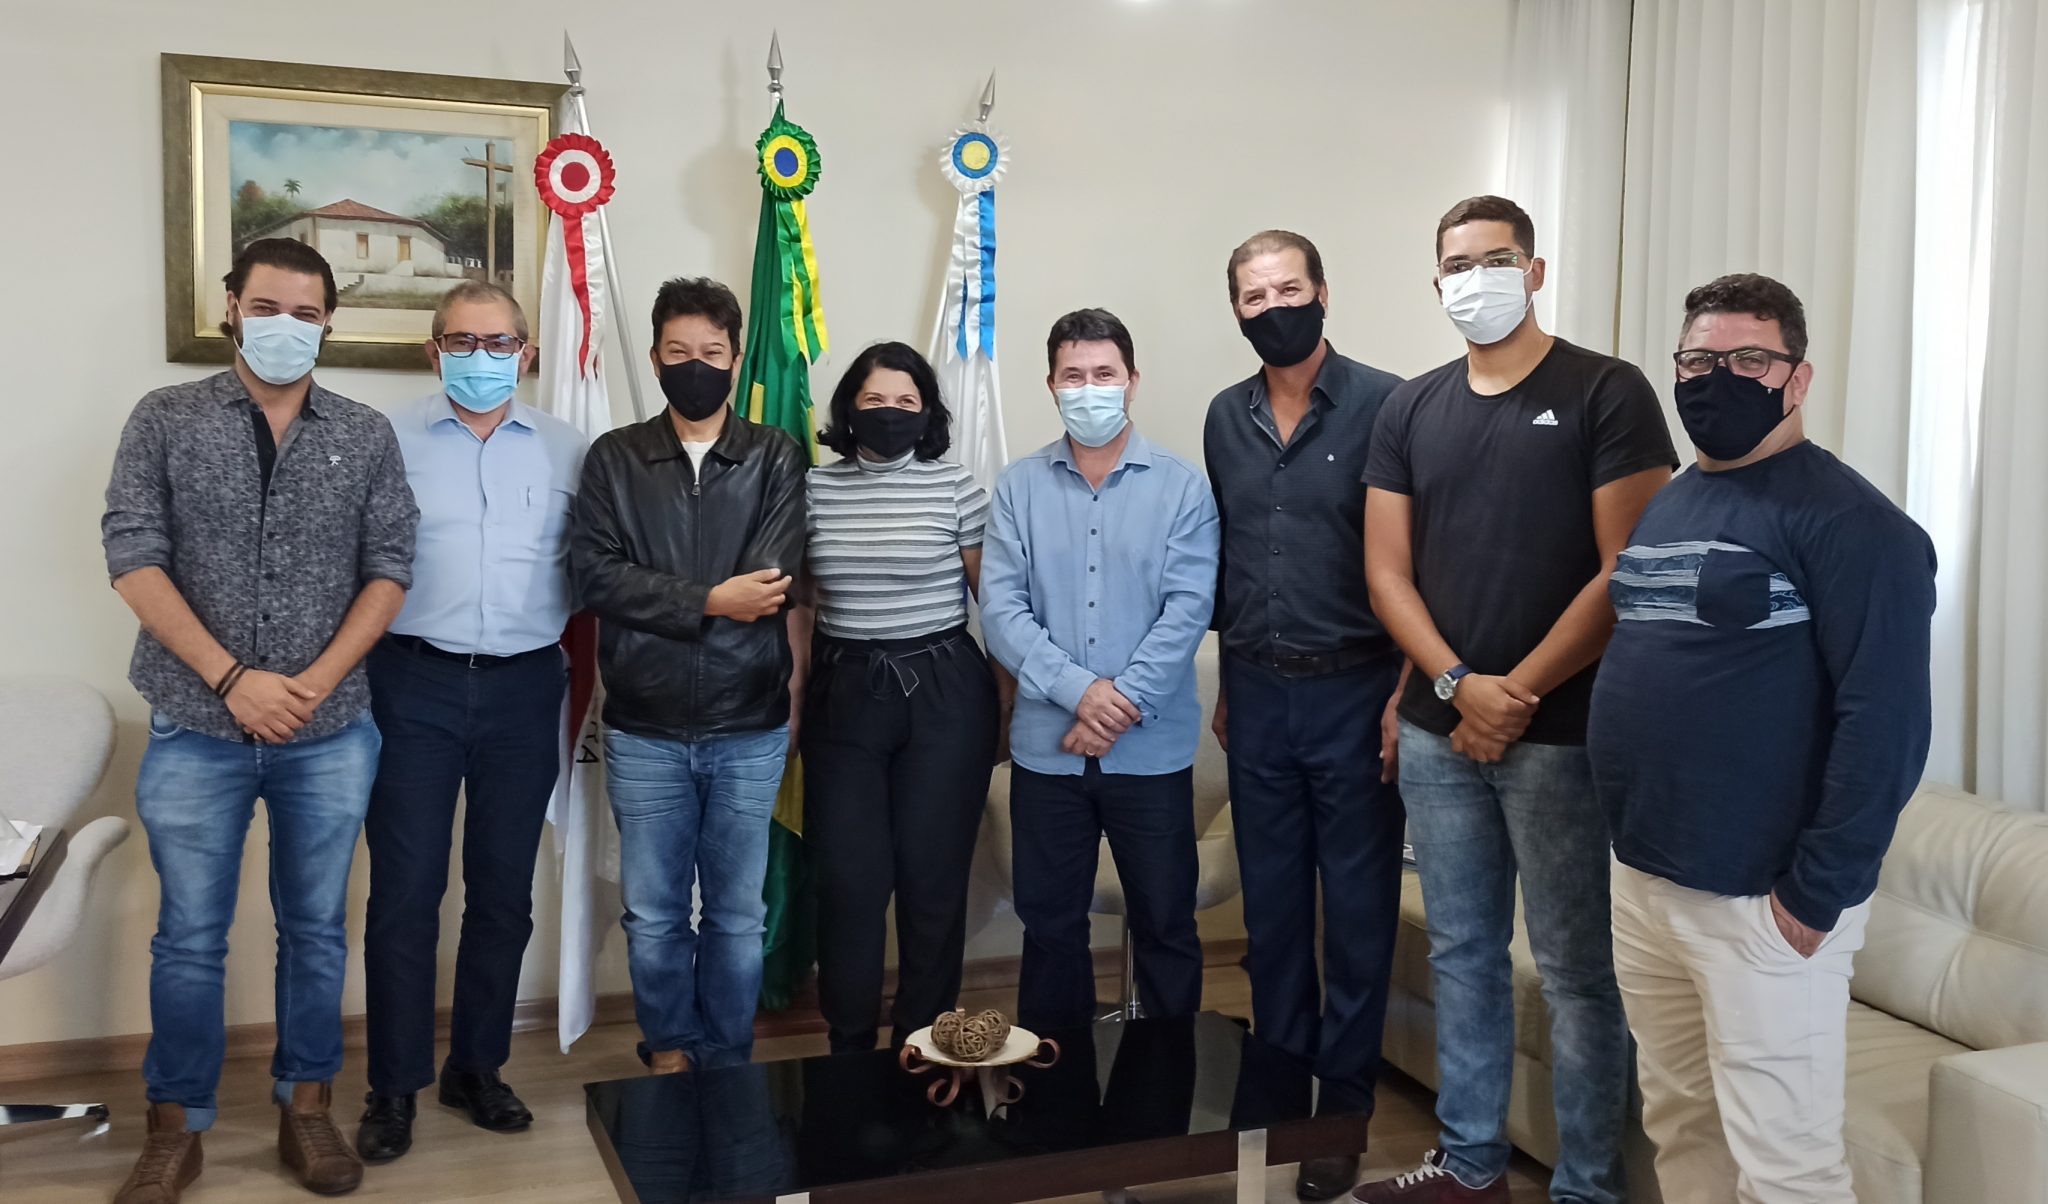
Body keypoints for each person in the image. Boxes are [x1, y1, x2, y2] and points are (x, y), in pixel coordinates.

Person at [1591, 275, 1935, 1204]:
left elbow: (1888, 724)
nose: (1719, 377)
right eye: (1698, 359)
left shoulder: (1857, 525)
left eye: (1750, 359)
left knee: (1787, 1166)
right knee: (1682, 1127)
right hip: (1647, 879)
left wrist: (1817, 893)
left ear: (1799, 377)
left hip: (1758, 897)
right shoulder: (1675, 500)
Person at [1358, 197, 1675, 1204]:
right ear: (1436, 283)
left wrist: (1517, 693)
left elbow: (1630, 570)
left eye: (1495, 260)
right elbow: (1386, 574)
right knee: (1463, 955)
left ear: (1534, 272)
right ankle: (1469, 1166)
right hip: (1437, 731)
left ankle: (1586, 1187)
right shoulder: (1410, 407)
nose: (1475, 279)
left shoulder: (1606, 391)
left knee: (1579, 973)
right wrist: (1460, 688)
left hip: (1565, 736)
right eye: (1457, 264)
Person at [100, 238, 418, 1202]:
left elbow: (390, 567)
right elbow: (133, 556)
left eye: (307, 314)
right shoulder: (165, 418)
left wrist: (311, 683)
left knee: (316, 929)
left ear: (330, 324)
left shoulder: (364, 433)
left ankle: (307, 1109)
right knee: (189, 937)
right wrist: (233, 678)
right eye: (268, 307)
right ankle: (176, 1127)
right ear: (232, 307)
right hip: (196, 723)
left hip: (331, 730)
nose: (288, 327)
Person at [353, 282, 588, 1163]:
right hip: (411, 683)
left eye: (498, 343)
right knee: (405, 894)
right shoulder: (383, 440)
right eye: (461, 341)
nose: (480, 358)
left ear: (527, 353)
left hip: (526, 689)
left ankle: (477, 1068)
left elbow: (595, 567)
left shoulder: (569, 449)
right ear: (433, 350)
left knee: (501, 893)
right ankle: (393, 1086)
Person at [1203, 230, 1407, 1202]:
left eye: (1289, 288)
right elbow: (1231, 558)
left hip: (1357, 692)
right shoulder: (1223, 416)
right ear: (1235, 311)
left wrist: (1405, 694)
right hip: (1256, 695)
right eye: (1254, 295)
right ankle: (1280, 1093)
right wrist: (1225, 687)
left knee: (1357, 918)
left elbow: (1418, 560)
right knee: (1273, 913)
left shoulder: (1388, 406)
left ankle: (1341, 1115)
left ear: (1323, 292)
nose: (1273, 306)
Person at [569, 276, 807, 1075]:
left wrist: (673, 596)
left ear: (736, 359)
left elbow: (770, 581)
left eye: (711, 352)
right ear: (654, 358)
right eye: (679, 352)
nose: (695, 366)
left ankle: (728, 1058)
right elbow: (594, 576)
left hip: (749, 724)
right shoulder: (615, 458)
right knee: (655, 914)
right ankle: (670, 1052)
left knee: (737, 917)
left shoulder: (774, 456)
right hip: (645, 726)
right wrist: (710, 599)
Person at [981, 308, 1220, 1034]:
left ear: (1132, 381)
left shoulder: (1182, 487)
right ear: (1051, 385)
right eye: (1074, 376)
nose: (1089, 389)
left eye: (1104, 374)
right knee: (1050, 927)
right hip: (1047, 756)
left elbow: (1188, 609)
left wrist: (1117, 706)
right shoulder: (1018, 488)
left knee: (1166, 924)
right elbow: (1002, 610)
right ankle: (1059, 1091)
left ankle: (1165, 1085)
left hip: (1150, 753)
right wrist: (1083, 693)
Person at [793, 341, 1008, 1054]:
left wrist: (1008, 704)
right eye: (875, 400)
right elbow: (802, 606)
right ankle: (850, 1045)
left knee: (932, 881)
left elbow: (993, 603)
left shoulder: (957, 487)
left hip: (945, 692)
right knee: (849, 882)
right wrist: (794, 694)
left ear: (927, 412)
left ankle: (923, 1042)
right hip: (844, 692)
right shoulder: (814, 489)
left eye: (906, 401)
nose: (890, 413)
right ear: (849, 409)